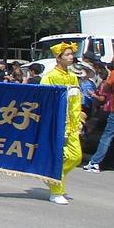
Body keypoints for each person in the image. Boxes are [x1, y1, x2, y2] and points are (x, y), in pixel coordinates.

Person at [40, 42, 83, 205]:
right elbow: (44, 101)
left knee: (76, 156)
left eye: (71, 54)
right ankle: (56, 191)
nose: (71, 57)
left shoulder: (73, 76)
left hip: (72, 124)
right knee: (59, 156)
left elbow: (76, 101)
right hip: (57, 123)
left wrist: (78, 119)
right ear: (58, 58)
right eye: (67, 55)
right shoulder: (49, 76)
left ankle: (51, 176)